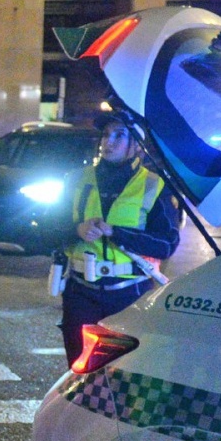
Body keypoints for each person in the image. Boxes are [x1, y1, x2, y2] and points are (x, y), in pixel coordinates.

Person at [56, 111, 181, 367]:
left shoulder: (154, 185)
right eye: (105, 135)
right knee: (80, 372)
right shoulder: (76, 180)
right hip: (81, 293)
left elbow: (167, 244)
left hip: (129, 295)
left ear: (137, 145)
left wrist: (117, 233)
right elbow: (42, 231)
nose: (108, 142)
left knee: (123, 372)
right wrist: (76, 230)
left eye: (119, 135)